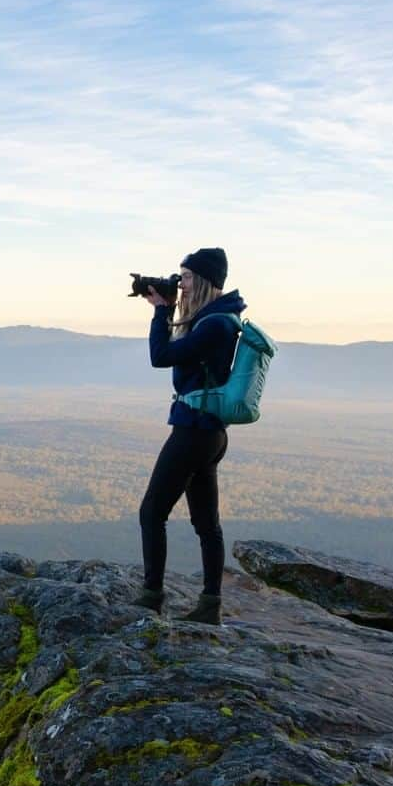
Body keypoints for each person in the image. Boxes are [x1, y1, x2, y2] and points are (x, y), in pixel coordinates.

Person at [135, 247, 246, 625]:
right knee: (206, 523)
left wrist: (161, 310)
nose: (179, 285)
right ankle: (209, 605)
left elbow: (160, 356)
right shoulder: (220, 319)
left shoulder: (214, 324)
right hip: (208, 433)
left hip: (194, 431)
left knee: (152, 512)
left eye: (184, 278)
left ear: (201, 281)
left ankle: (152, 596)